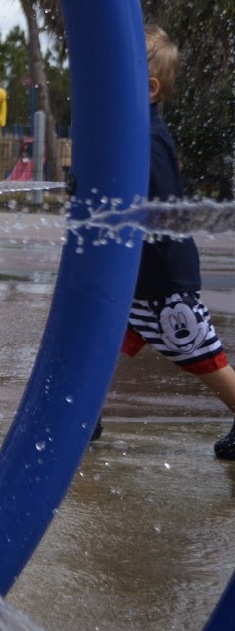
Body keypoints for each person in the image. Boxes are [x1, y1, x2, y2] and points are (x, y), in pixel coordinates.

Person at [105, 25, 235, 459]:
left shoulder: (149, 139)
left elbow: (159, 206)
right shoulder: (136, 133)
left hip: (161, 284)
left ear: (149, 88)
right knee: (96, 345)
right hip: (136, 280)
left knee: (205, 360)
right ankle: (81, 415)